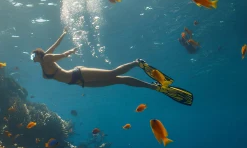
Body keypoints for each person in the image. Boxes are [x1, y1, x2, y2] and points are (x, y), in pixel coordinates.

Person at [31, 28, 193, 106]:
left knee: (112, 73)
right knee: (118, 80)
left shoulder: (47, 58)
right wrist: (63, 34)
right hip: (80, 82)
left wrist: (69, 52)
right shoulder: (44, 60)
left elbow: (60, 55)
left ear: (38, 55)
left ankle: (137, 63)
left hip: (77, 74)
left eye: (33, 55)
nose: (32, 58)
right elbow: (54, 45)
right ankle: (153, 87)